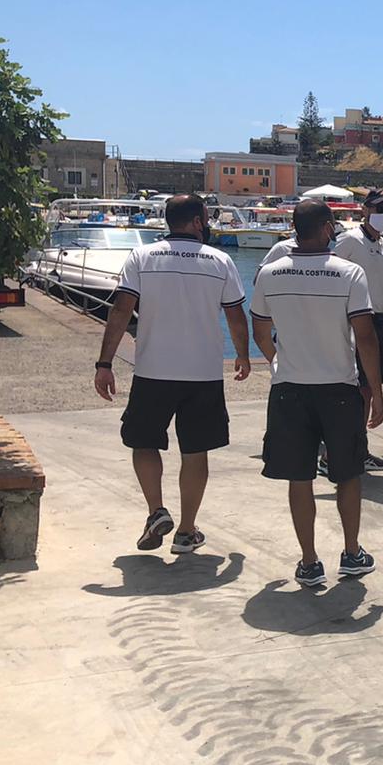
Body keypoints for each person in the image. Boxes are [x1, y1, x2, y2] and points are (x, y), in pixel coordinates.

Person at [94, 193, 250, 553]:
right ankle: (186, 530)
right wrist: (242, 354)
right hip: (203, 373)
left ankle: (155, 511)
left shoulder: (142, 256)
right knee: (196, 452)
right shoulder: (220, 260)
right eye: (207, 218)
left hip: (153, 371)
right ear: (197, 222)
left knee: (143, 442)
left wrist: (104, 364)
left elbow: (120, 311)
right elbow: (235, 315)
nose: (208, 224)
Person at [250, 199, 383, 588]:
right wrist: (374, 390)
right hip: (339, 389)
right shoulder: (349, 274)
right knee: (347, 474)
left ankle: (309, 561)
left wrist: (278, 361)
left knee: (299, 477)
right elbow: (365, 337)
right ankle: (352, 552)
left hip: (289, 389)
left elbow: (261, 331)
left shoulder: (271, 273)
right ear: (327, 228)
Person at [327, 189, 383, 470]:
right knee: (352, 390)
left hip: (380, 319)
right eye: (379, 209)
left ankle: (360, 447)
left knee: (368, 388)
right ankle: (336, 451)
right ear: (365, 210)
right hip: (355, 319)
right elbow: (329, 270)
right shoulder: (350, 241)